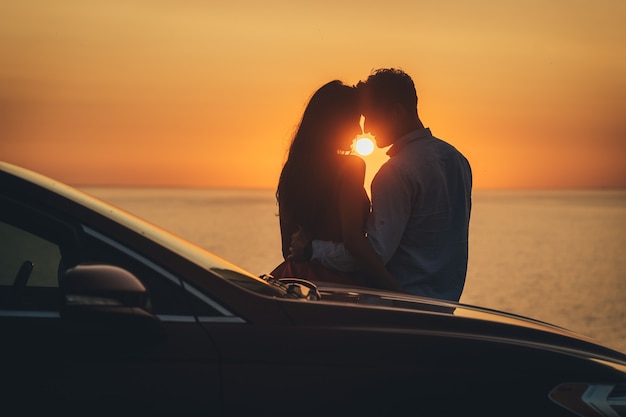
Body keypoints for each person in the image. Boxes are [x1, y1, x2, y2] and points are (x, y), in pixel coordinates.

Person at [297, 68, 472, 301]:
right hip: (444, 306)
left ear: (397, 112)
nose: (366, 129)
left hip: (396, 310)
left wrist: (312, 249)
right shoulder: (458, 160)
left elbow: (374, 255)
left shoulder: (396, 172)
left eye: (371, 117)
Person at [271, 80, 401, 292]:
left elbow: (288, 250)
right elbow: (353, 242)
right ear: (336, 122)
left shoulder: (292, 170)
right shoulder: (351, 167)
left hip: (296, 281)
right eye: (355, 121)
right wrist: (394, 289)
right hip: (336, 284)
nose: (361, 131)